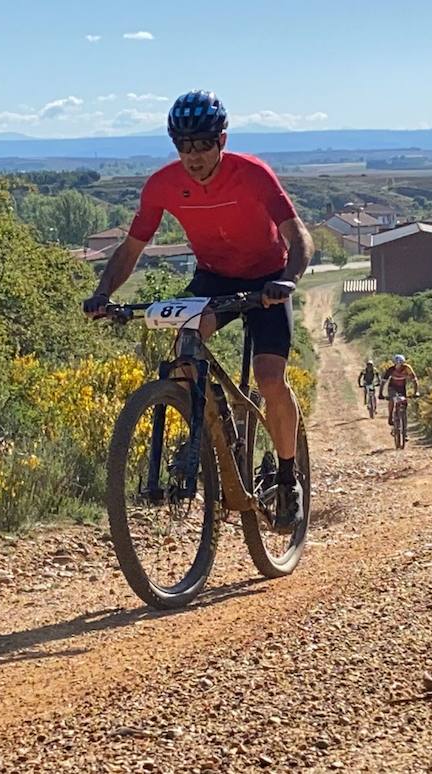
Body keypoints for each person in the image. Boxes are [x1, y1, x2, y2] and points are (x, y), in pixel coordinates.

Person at [84, 90, 314, 532]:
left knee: (269, 377)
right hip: (213, 277)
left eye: (203, 143)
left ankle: (288, 479)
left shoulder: (253, 174)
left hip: (267, 277)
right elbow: (132, 248)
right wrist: (102, 292)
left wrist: (289, 279)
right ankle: (204, 434)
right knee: (184, 354)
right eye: (183, 145)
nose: (193, 155)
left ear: (222, 139)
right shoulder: (162, 184)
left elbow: (299, 236)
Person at [378, 354, 419, 427]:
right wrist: (380, 393)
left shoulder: (407, 368)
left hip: (402, 387)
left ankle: (404, 428)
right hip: (392, 387)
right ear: (394, 364)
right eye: (397, 364)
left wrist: (416, 392)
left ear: (403, 363)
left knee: (404, 404)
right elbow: (383, 382)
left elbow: (414, 380)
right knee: (392, 399)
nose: (399, 366)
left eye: (401, 364)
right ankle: (390, 416)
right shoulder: (391, 369)